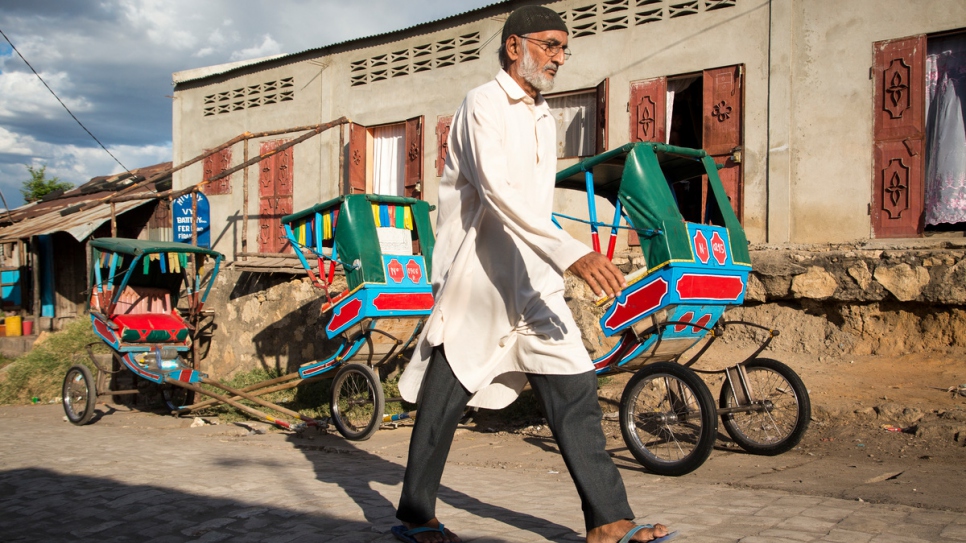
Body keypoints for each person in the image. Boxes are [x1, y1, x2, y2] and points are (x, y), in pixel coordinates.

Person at [391, 6, 677, 543]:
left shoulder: (544, 115)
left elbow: (534, 206)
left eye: (564, 48)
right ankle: (415, 516)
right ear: (514, 46)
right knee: (442, 403)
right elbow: (498, 193)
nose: (560, 57)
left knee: (575, 389)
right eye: (550, 45)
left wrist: (554, 257)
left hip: (533, 277)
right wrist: (573, 253)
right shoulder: (483, 104)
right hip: (479, 278)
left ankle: (609, 519)